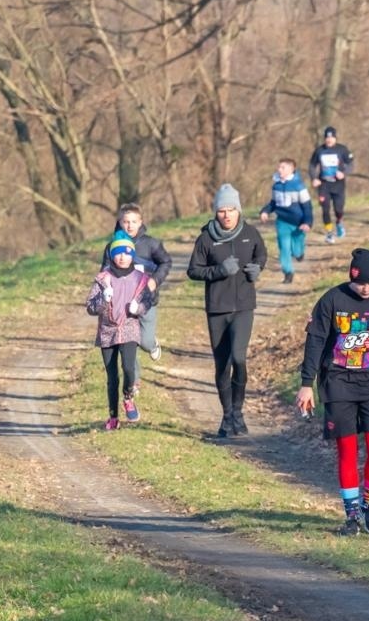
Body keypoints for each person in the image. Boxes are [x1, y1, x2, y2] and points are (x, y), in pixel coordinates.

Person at [295, 248, 369, 536]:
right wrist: (306, 383)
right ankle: (352, 515)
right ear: (351, 278)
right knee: (346, 452)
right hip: (338, 385)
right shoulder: (332, 300)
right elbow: (316, 341)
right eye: (361, 283)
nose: (367, 288)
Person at [186, 183, 268, 438]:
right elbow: (193, 270)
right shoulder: (206, 239)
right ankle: (227, 416)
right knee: (222, 364)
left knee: (239, 358)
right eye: (222, 210)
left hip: (244, 306)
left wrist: (257, 268)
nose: (227, 214)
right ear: (216, 212)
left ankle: (239, 411)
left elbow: (261, 255)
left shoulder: (250, 233)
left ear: (238, 210)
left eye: (231, 209)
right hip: (218, 309)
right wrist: (219, 271)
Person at [87, 232, 154, 430]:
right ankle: (113, 417)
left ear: (132, 254)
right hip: (107, 331)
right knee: (112, 377)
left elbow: (147, 301)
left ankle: (128, 397)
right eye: (118, 253)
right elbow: (90, 307)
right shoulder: (102, 279)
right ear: (111, 255)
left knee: (129, 368)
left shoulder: (140, 279)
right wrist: (103, 300)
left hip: (129, 328)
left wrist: (138, 309)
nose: (122, 257)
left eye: (126, 252)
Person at [101, 203, 173, 361]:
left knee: (145, 342)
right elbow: (104, 271)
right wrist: (107, 287)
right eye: (126, 222)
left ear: (141, 222)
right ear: (120, 222)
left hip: (146, 300)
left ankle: (151, 344)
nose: (130, 226)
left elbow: (166, 262)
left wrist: (154, 281)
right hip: (122, 304)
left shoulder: (151, 244)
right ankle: (133, 384)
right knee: (129, 344)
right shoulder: (111, 246)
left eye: (134, 221)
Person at [257, 158, 312, 284]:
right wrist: (265, 211)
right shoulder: (276, 185)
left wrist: (307, 222)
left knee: (297, 247)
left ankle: (299, 253)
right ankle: (288, 272)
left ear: (291, 169)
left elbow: (307, 206)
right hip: (282, 222)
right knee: (284, 248)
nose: (279, 170)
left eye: (283, 167)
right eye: (279, 167)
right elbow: (273, 203)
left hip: (299, 223)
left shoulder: (298, 186)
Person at [308, 127, 354, 244]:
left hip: (338, 184)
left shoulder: (342, 149)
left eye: (331, 137)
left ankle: (339, 222)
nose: (329, 140)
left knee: (339, 209)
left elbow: (351, 164)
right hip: (323, 184)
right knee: (325, 209)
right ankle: (329, 233)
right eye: (327, 138)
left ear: (335, 138)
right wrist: (314, 178)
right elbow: (312, 165)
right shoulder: (319, 151)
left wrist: (343, 173)